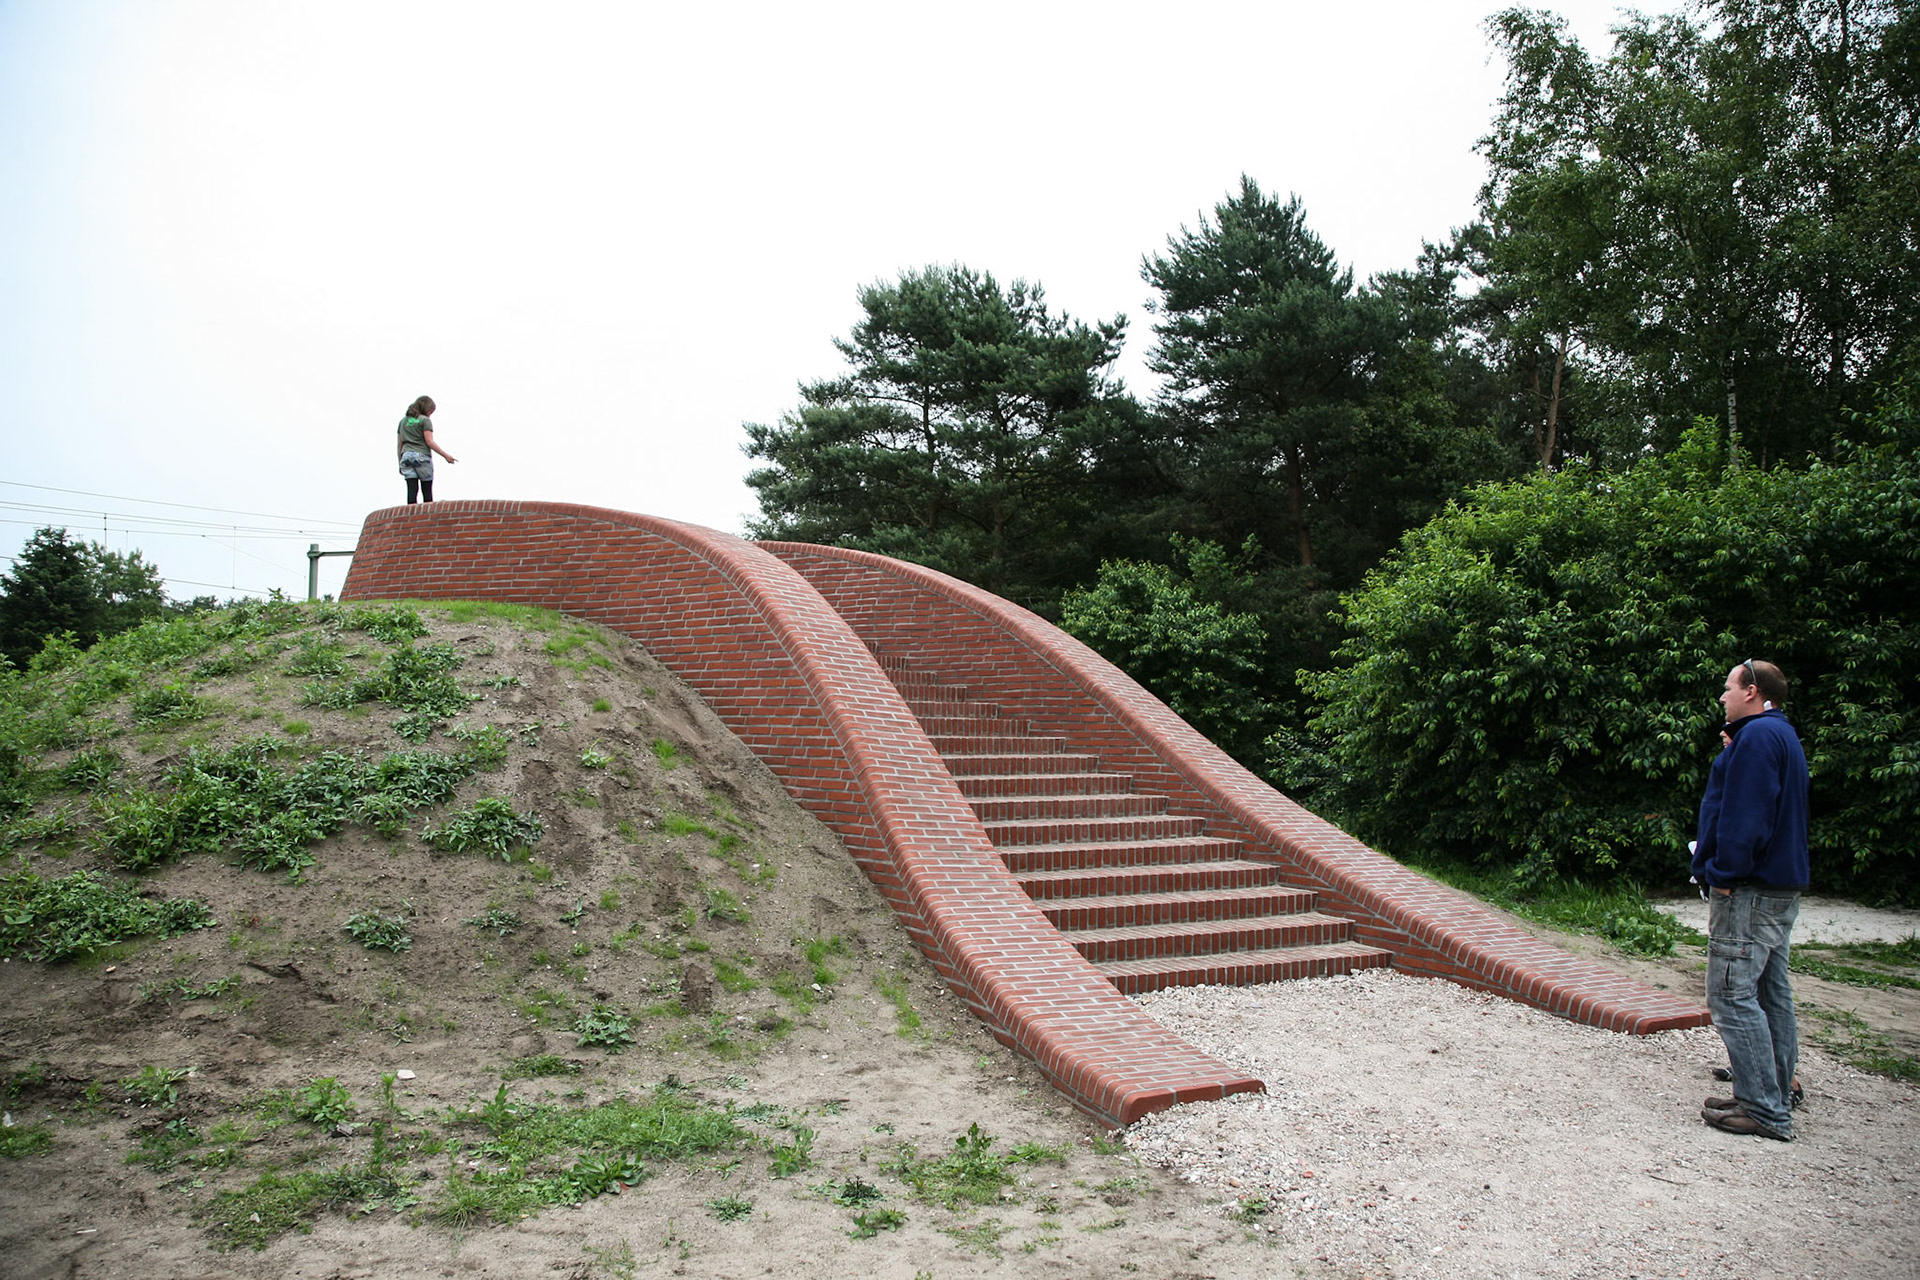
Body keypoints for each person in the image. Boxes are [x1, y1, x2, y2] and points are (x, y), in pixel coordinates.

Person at [1690, 658, 1809, 1141]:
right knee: (1768, 991)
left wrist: (1723, 874)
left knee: (1732, 994)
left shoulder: (1758, 738)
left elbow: (1746, 816)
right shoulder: (1779, 735)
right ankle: (1771, 1092)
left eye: (1728, 688)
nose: (1723, 697)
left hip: (1750, 889)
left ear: (1753, 691)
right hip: (1777, 887)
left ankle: (1763, 1109)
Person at [396, 395, 457, 504]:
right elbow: (429, 441)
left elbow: (399, 445)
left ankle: (411, 514)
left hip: (406, 456)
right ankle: (428, 514)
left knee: (412, 490)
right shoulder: (425, 420)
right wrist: (446, 456)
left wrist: (400, 462)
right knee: (426, 490)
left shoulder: (402, 421)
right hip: (421, 456)